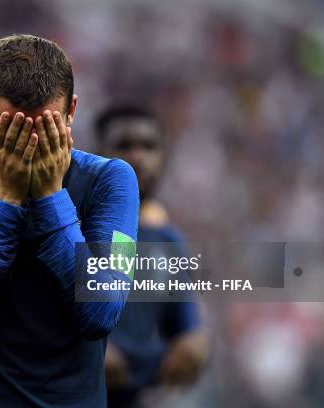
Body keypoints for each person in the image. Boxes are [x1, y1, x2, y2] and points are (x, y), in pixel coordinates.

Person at [0, 34, 139, 407]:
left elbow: (102, 310)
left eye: (45, 130)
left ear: (72, 112)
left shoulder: (111, 181)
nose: (29, 146)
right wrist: (7, 198)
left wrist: (50, 196)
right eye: (13, 130)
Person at [95, 104, 208, 407]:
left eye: (148, 146)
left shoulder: (167, 242)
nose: (137, 157)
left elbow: (189, 344)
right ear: (96, 154)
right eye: (123, 146)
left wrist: (193, 347)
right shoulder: (68, 228)